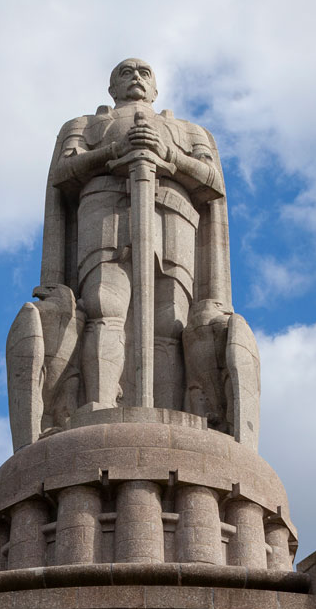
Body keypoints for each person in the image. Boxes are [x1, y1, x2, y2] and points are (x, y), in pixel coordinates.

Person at [40, 58, 228, 415]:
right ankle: (100, 403)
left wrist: (169, 154)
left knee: (170, 320)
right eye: (126, 73)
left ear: (155, 89)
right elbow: (63, 173)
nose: (136, 77)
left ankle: (168, 408)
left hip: (172, 220)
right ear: (112, 88)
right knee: (105, 305)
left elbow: (212, 181)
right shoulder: (85, 125)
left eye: (144, 73)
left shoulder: (190, 132)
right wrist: (113, 151)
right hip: (105, 214)